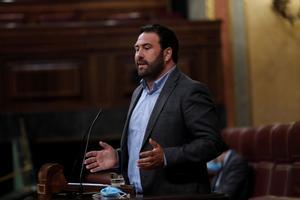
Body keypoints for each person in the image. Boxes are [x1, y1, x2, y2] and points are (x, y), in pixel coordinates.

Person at [84, 24, 227, 196]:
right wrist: (119, 157)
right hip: (137, 194)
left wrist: (166, 156)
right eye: (136, 49)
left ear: (167, 53)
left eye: (147, 48)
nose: (139, 55)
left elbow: (212, 143)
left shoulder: (190, 91)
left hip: (177, 195)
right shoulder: (138, 92)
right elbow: (142, 148)